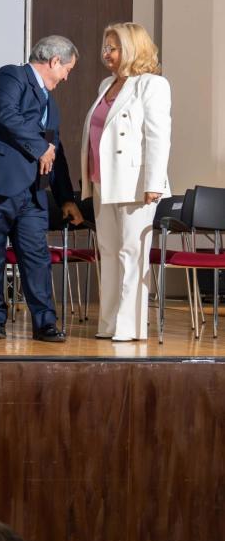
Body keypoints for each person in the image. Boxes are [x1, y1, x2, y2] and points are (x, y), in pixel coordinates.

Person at [0, 36, 78, 343]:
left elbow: (54, 149)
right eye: (67, 69)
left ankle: (45, 322)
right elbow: (7, 115)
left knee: (37, 257)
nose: (67, 77)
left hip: (32, 192)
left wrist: (65, 197)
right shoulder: (11, 75)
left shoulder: (51, 102)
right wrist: (38, 148)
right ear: (54, 61)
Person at [83, 22, 171, 341]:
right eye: (105, 47)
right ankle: (108, 323)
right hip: (102, 181)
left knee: (132, 253)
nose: (107, 54)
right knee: (108, 250)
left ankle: (130, 326)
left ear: (132, 48)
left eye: (114, 47)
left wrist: (154, 182)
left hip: (135, 183)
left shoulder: (151, 84)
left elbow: (158, 136)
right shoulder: (107, 84)